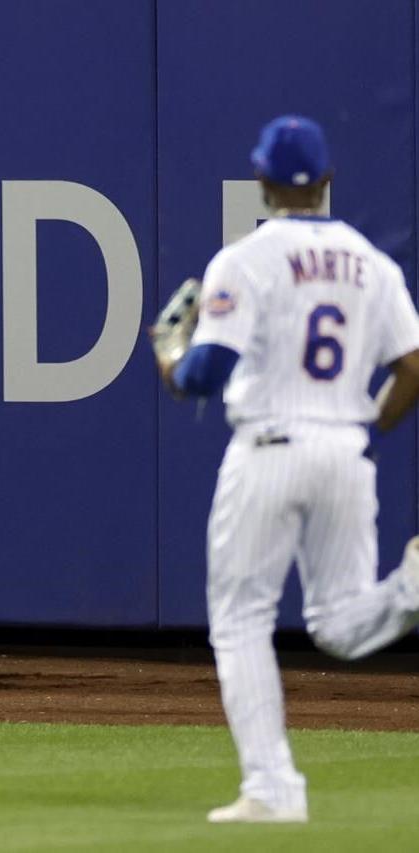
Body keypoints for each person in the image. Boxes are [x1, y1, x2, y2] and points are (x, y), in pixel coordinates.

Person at [155, 114, 419, 822]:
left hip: (268, 449)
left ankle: (273, 789)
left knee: (240, 618)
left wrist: (168, 361)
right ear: (326, 180)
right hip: (343, 448)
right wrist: (373, 423)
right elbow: (412, 365)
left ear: (261, 180)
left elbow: (206, 372)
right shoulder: (374, 263)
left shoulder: (244, 259)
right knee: (337, 622)